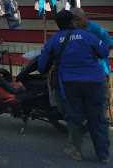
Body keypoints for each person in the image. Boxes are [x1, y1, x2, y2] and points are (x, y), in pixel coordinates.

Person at [38, 10, 110, 163]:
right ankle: (103, 154)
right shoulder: (88, 36)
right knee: (97, 118)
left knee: (74, 118)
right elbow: (103, 52)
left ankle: (76, 152)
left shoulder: (54, 40)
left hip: (70, 84)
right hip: (95, 82)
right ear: (73, 21)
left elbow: (42, 65)